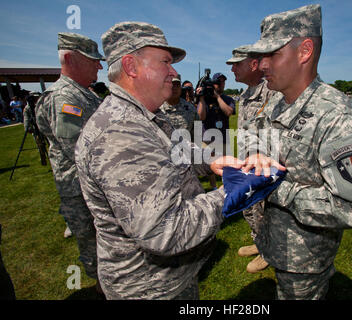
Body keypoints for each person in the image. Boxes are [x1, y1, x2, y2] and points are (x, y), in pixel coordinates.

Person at [75, 21, 242, 300]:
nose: (174, 72)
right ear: (131, 66)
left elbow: (178, 149)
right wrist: (233, 191)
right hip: (148, 288)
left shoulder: (145, 115)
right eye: (165, 62)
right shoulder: (121, 132)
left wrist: (212, 161)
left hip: (168, 279)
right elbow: (165, 229)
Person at [241, 4, 352, 299]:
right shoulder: (279, 102)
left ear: (305, 51)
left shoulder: (337, 117)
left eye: (272, 55)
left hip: (305, 260)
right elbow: (259, 135)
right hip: (277, 244)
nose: (262, 65)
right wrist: (256, 154)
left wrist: (275, 187)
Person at [35, 32, 104, 293]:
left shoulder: (86, 95)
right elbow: (78, 150)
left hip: (93, 183)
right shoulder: (64, 98)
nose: (100, 65)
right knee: (91, 240)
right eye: (93, 60)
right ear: (69, 58)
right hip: (80, 188)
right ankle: (103, 289)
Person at [226, 45, 276, 273]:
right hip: (246, 162)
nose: (233, 69)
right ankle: (259, 242)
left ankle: (269, 251)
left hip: (264, 165)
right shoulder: (246, 94)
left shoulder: (272, 92)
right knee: (249, 208)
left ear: (254, 64)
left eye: (237, 64)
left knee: (264, 210)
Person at [197, 72, 235, 189]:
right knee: (210, 164)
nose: (221, 84)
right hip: (208, 138)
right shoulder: (206, 99)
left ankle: (226, 186)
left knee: (226, 164)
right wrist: (202, 98)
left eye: (223, 82)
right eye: (218, 82)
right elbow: (201, 117)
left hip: (223, 137)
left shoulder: (228, 99)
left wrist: (217, 97)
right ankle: (214, 187)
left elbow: (228, 112)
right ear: (213, 84)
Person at [158, 74, 199, 139]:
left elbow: (197, 137)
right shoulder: (156, 108)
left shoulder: (191, 109)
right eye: (172, 84)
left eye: (177, 85)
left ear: (181, 88)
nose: (175, 88)